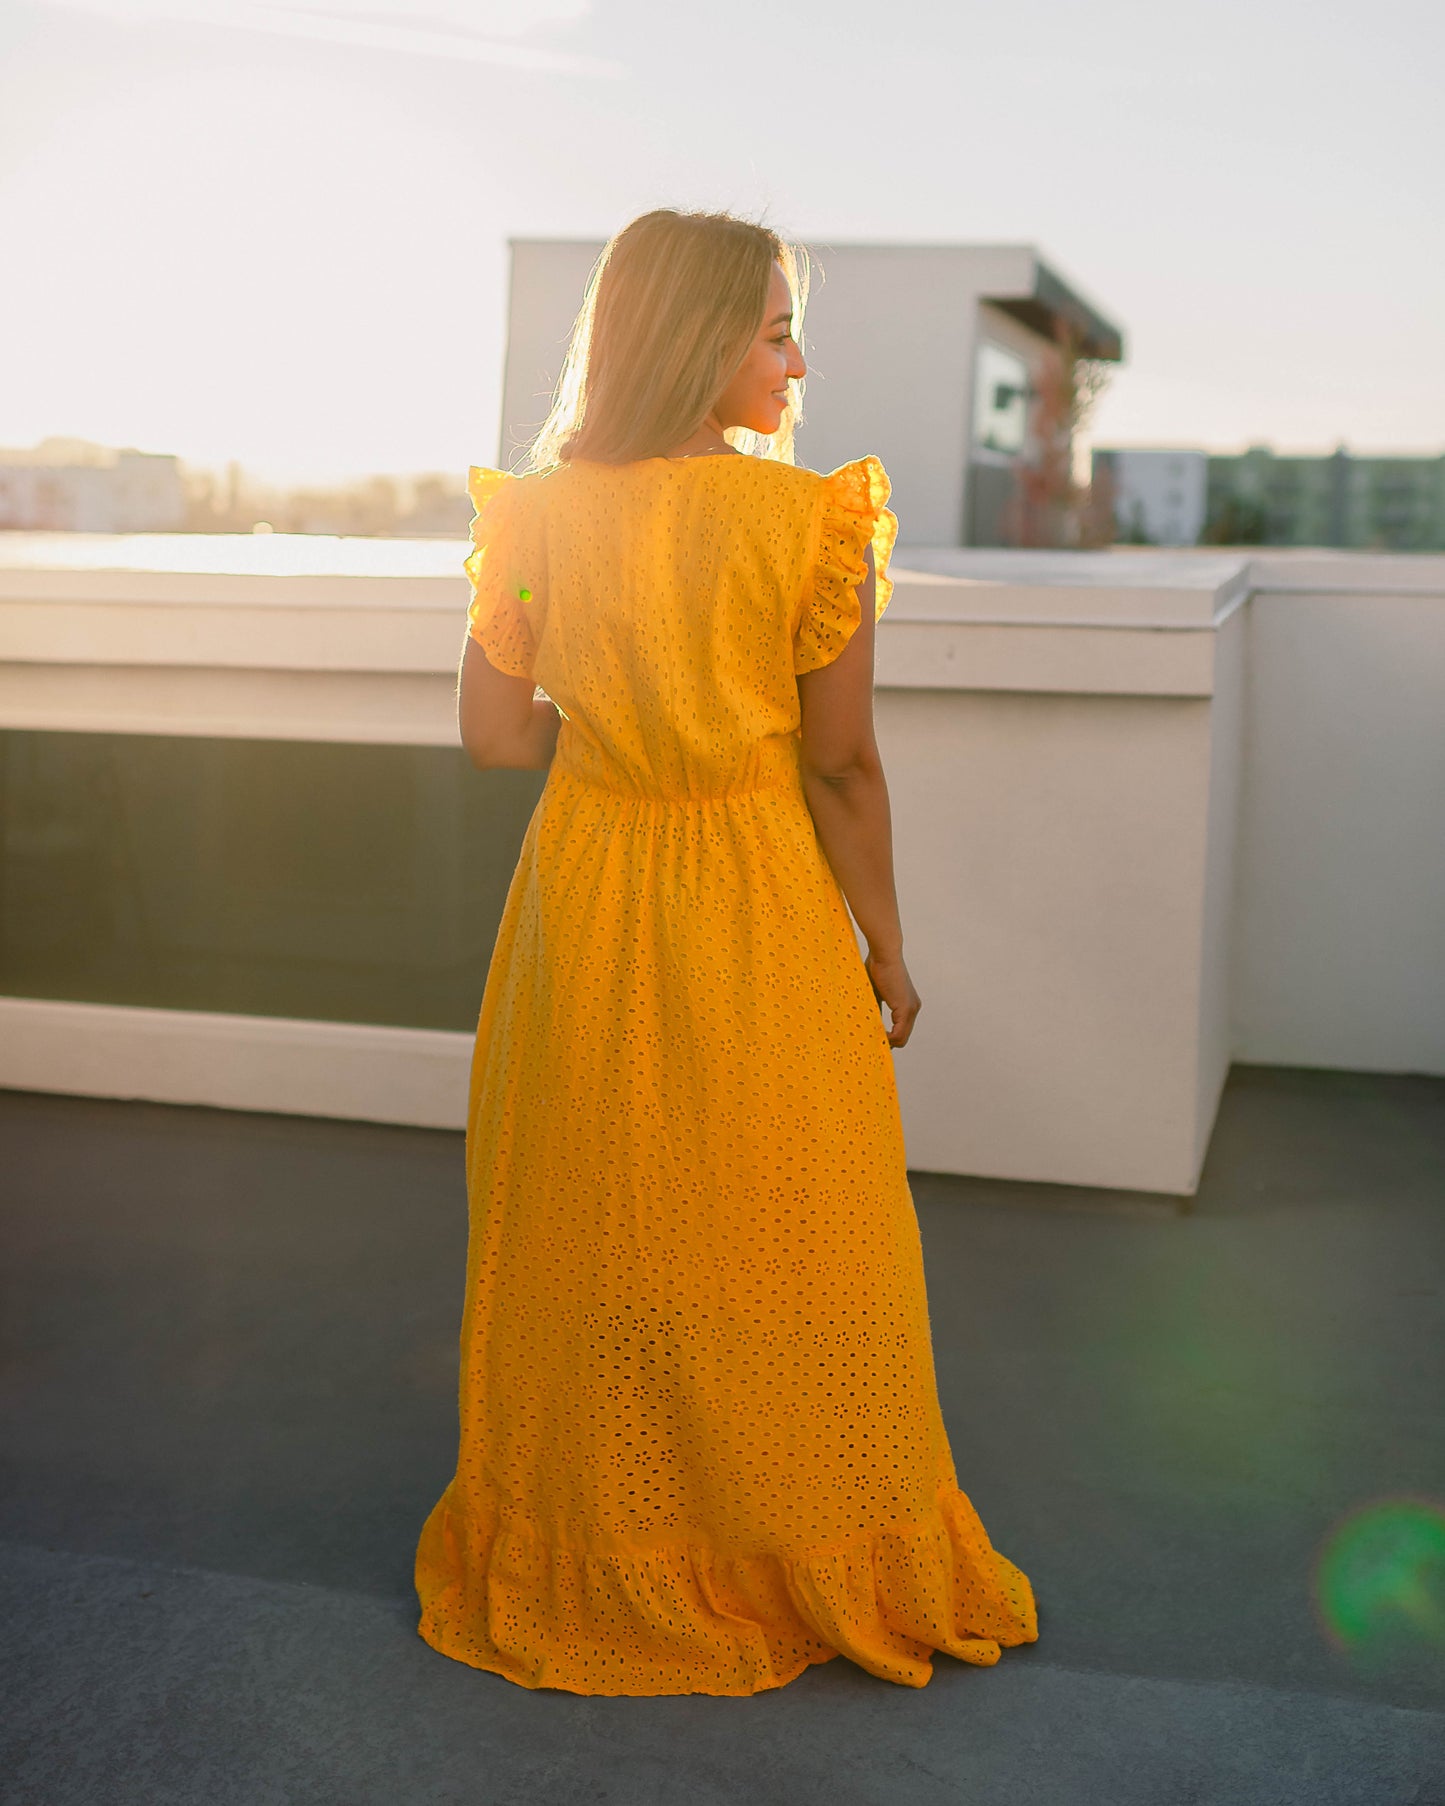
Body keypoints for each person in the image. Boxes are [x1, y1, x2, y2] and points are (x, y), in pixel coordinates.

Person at [413, 208, 1037, 1696]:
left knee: (589, 1220)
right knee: (790, 1227)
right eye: (772, 328)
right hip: (753, 896)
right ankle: (789, 1546)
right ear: (696, 338)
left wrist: (626, 723)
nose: (796, 358)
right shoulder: (807, 522)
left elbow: (495, 734)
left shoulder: (535, 519)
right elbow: (840, 767)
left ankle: (604, 1543)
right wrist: (883, 939)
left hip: (590, 889)